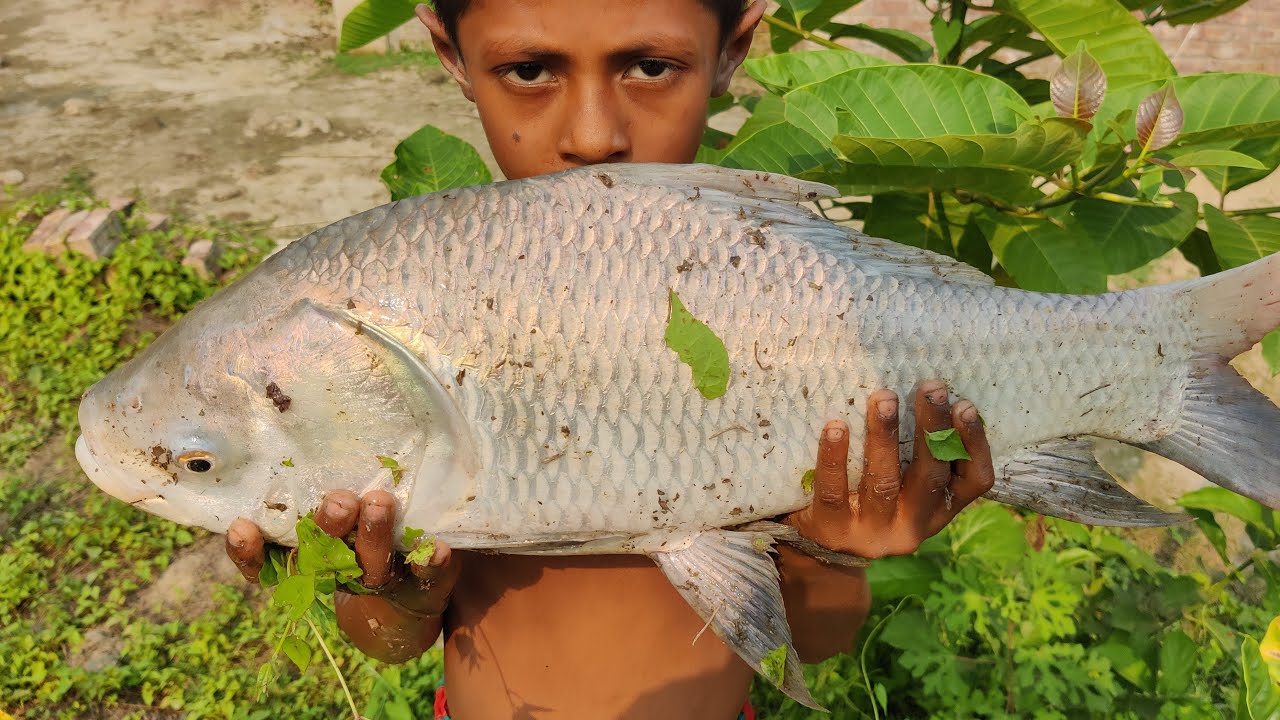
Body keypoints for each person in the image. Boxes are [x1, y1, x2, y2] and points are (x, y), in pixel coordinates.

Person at [226, 1, 997, 717]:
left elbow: (821, 637)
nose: (594, 135)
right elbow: (389, 644)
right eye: (530, 71)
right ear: (450, 54)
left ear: (731, 50)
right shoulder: (415, 307)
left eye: (650, 67)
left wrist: (838, 546)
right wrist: (395, 587)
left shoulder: (791, 311)